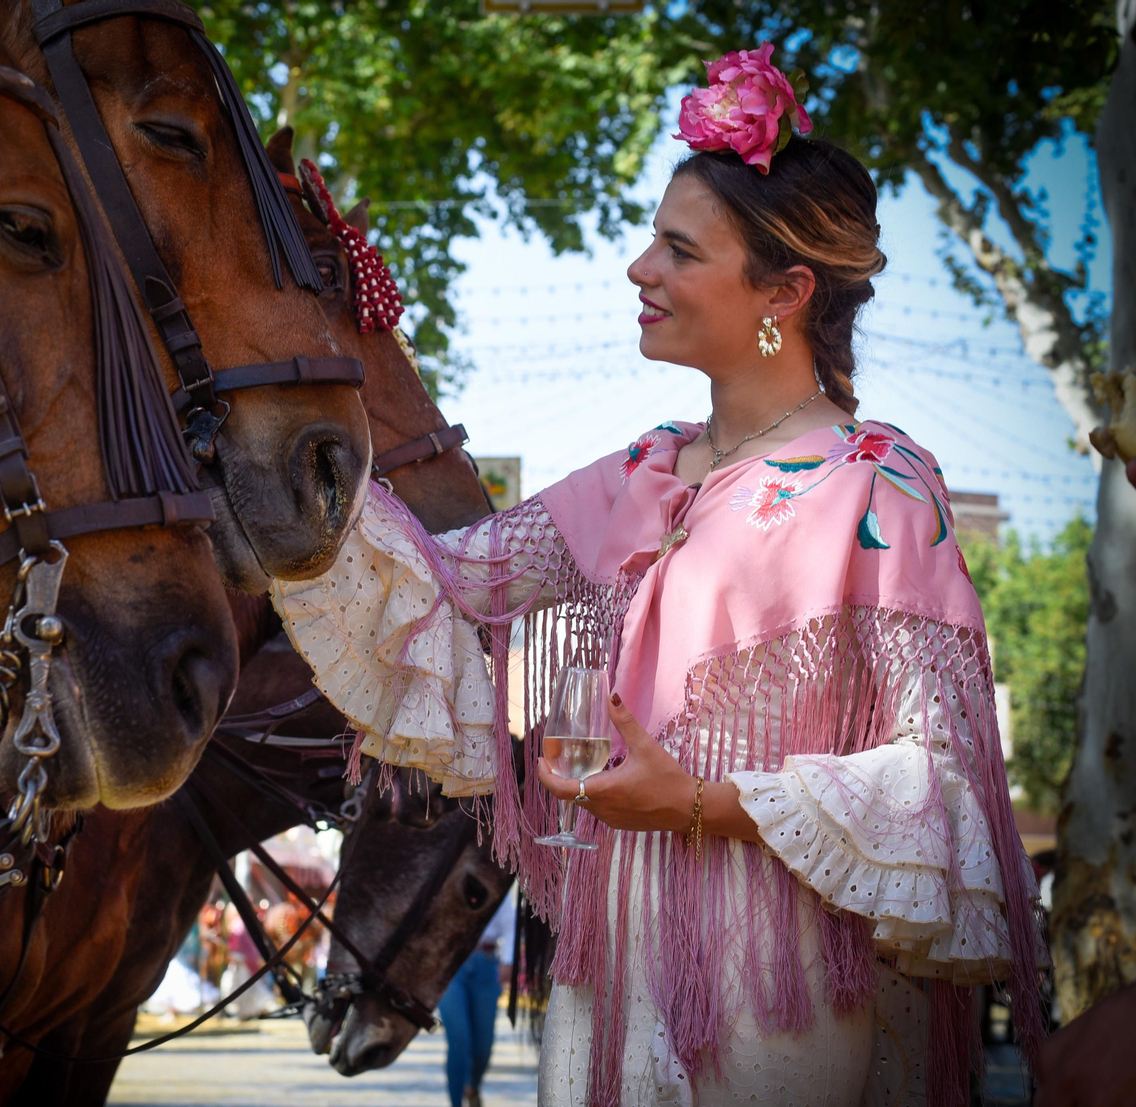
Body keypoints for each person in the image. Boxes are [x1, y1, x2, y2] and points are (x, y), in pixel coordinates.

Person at [271, 42, 1043, 1107]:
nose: (641, 270)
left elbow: (940, 784)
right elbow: (437, 588)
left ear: (785, 291)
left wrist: (699, 800)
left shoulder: (880, 488)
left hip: (774, 993)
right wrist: (275, 381)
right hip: (601, 981)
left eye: (679, 251)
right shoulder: (638, 469)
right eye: (651, 242)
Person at [439, 891, 518, 1107]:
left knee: (483, 1047)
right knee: (458, 1040)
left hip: (486, 965)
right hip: (450, 966)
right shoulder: (442, 874)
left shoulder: (492, 876)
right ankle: (455, 1103)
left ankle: (472, 1087)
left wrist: (508, 961)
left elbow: (510, 925)